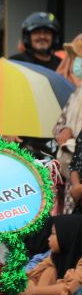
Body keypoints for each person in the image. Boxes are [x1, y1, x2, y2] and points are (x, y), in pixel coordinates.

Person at [19, 215, 82, 295]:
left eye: (53, 234)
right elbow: (27, 278)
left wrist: (36, 292)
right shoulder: (54, 258)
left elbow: (71, 289)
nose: (48, 239)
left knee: (61, 287)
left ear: (67, 236)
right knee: (48, 272)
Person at [55, 37, 82, 214]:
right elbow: (59, 124)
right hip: (71, 177)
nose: (77, 63)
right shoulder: (76, 94)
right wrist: (63, 131)